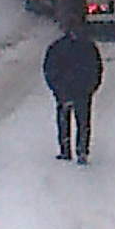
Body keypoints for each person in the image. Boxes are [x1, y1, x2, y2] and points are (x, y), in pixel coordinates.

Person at [42, 13, 103, 165]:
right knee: (83, 121)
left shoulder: (57, 47)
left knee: (64, 119)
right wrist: (91, 87)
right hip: (82, 90)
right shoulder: (88, 47)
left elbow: (50, 69)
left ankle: (65, 150)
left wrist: (57, 88)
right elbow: (96, 69)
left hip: (64, 89)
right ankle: (82, 151)